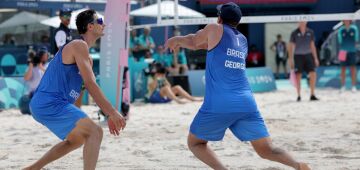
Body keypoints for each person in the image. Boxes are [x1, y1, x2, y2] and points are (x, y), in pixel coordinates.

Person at [165, 2, 310, 170]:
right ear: (237, 22)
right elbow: (205, 45)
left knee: (195, 143)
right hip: (246, 102)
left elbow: (194, 41)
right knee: (266, 150)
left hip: (219, 102)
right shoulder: (243, 40)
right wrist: (188, 41)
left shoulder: (214, 28)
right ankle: (297, 165)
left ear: (219, 18)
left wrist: (175, 39)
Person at [24, 9, 126, 170]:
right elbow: (91, 84)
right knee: (96, 132)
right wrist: (111, 112)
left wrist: (79, 115)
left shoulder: (87, 57)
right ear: (90, 26)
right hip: (49, 102)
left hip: (50, 104)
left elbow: (82, 89)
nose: (103, 24)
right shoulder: (78, 45)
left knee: (77, 140)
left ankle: (32, 169)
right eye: (100, 21)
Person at [288, 21, 319, 101]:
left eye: (303, 21)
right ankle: (298, 95)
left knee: (313, 74)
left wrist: (315, 58)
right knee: (298, 76)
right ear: (298, 22)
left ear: (306, 22)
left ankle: (312, 94)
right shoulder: (294, 33)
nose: (302, 22)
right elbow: (291, 46)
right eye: (300, 21)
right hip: (298, 56)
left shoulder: (310, 32)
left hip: (308, 55)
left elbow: (312, 45)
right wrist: (290, 59)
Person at [337, 20, 359, 92]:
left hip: (352, 51)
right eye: (344, 19)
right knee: (342, 69)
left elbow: (356, 40)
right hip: (342, 52)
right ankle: (343, 86)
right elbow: (340, 41)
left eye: (347, 19)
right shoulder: (340, 30)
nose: (346, 20)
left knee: (353, 69)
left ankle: (353, 86)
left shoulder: (354, 28)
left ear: (350, 20)